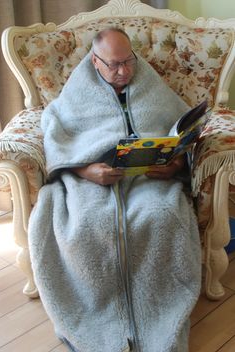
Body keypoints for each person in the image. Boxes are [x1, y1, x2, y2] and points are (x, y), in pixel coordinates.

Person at [28, 28, 201, 352]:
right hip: (89, 180)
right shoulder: (76, 93)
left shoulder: (153, 87)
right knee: (83, 227)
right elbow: (55, 133)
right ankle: (102, 326)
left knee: (161, 219)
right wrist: (85, 169)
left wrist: (175, 165)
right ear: (95, 61)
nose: (123, 71)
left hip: (149, 179)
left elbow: (182, 126)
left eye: (128, 62)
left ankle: (158, 319)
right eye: (113, 64)